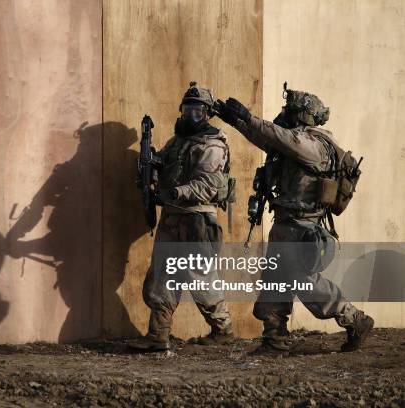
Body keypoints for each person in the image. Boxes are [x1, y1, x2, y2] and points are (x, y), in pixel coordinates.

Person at [216, 86, 374, 354]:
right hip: (286, 222)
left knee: (304, 282)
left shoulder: (314, 145)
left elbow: (278, 136)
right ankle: (274, 340)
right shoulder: (293, 142)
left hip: (302, 227)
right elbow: (266, 138)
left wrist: (248, 115)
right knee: (274, 281)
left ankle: (354, 318)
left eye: (289, 111)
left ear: (303, 116)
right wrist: (236, 120)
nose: (283, 115)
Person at [129, 82, 235, 351]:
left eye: (197, 110)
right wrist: (151, 163)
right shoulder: (177, 141)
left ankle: (223, 330)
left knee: (200, 279)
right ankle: (158, 336)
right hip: (172, 217)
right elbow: (165, 161)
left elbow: (208, 184)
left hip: (196, 220)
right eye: (187, 109)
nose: (191, 115)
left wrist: (175, 192)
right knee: (162, 277)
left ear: (207, 113)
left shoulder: (213, 144)